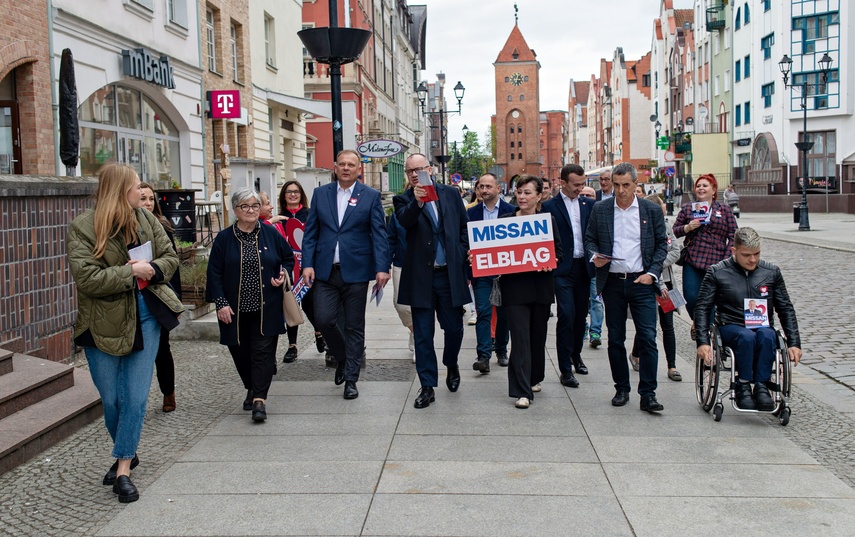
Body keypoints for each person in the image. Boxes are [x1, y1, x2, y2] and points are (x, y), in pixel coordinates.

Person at [67, 163, 183, 503]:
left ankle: (122, 470)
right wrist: (131, 272)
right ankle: (127, 450)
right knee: (112, 400)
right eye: (135, 187)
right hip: (101, 323)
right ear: (121, 191)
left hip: (147, 318)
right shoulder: (82, 228)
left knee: (135, 397)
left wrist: (154, 269)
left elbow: (169, 258)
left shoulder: (146, 219)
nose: (142, 193)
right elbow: (87, 279)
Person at [301, 149, 391, 400]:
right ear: (335, 167)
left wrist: (382, 267)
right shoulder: (321, 194)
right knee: (324, 319)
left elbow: (379, 234)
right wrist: (307, 264)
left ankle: (351, 378)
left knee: (354, 326)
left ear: (359, 169)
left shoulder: (370, 196)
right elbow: (311, 232)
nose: (346, 168)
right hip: (325, 271)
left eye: (351, 164)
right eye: (342, 164)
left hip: (357, 271)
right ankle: (342, 358)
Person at [585, 163, 668, 413]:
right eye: (617, 185)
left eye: (626, 185)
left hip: (641, 282)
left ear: (635, 184)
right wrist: (594, 256)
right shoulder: (601, 209)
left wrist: (651, 274)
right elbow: (590, 239)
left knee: (648, 338)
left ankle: (648, 393)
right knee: (616, 339)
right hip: (612, 282)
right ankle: (622, 388)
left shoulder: (650, 210)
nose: (620, 190)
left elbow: (662, 244)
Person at [206, 187, 294, 421]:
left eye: (255, 206)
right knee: (241, 354)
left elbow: (288, 257)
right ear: (235, 210)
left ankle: (259, 401)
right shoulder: (224, 239)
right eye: (245, 206)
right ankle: (251, 386)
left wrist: (283, 273)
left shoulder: (270, 233)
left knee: (263, 354)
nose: (251, 210)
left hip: (267, 307)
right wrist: (221, 303)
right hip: (234, 310)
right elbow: (214, 274)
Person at [695, 227, 802, 410]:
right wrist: (702, 341)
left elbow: (785, 308)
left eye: (756, 254)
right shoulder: (717, 272)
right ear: (734, 251)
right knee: (747, 336)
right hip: (731, 326)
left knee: (768, 336)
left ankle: (762, 386)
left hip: (762, 327)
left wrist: (794, 343)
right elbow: (703, 307)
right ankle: (743, 385)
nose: (753, 259)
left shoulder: (771, 273)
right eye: (746, 255)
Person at [394, 153, 469, 409]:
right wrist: (417, 202)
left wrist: (460, 250)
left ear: (431, 169)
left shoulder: (450, 193)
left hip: (449, 275)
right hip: (421, 278)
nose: (415, 174)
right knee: (423, 335)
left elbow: (463, 228)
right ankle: (427, 385)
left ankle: (451, 363)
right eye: (410, 171)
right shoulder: (404, 199)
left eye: (419, 169)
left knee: (455, 328)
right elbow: (404, 221)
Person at [497, 176, 562, 408]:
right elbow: (493, 252)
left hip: (540, 288)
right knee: (520, 339)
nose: (522, 197)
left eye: (527, 192)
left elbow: (559, 253)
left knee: (536, 337)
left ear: (539, 195)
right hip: (514, 289)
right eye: (519, 192)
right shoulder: (504, 220)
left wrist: (550, 260)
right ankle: (521, 391)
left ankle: (534, 377)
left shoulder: (548, 221)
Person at [542, 164, 595, 387]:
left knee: (580, 316)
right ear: (563, 183)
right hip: (561, 269)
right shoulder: (548, 206)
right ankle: (565, 368)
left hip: (584, 267)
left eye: (583, 184)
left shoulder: (590, 205)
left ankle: (576, 355)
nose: (580, 188)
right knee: (566, 314)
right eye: (576, 185)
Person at [672, 174, 738, 336]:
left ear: (714, 190)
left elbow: (734, 235)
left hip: (717, 261)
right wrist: (688, 227)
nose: (701, 188)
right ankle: (699, 321)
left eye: (705, 186)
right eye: (699, 185)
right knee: (692, 296)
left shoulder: (724, 210)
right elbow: (673, 232)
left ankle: (706, 333)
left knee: (712, 299)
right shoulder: (688, 208)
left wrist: (727, 257)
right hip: (693, 260)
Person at [629, 194, 681, 381]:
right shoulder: (637, 228)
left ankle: (672, 366)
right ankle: (635, 354)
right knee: (646, 327)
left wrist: (657, 265)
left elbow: (675, 251)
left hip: (666, 283)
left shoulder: (666, 227)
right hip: (647, 283)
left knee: (668, 325)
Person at [139, 182, 181, 412]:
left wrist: (174, 301)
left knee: (161, 349)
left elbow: (172, 267)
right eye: (142, 198)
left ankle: (168, 392)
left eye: (151, 199)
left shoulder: (162, 227)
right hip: (136, 293)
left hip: (158, 294)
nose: (147, 203)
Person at [467, 173, 515, 373]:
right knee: (484, 312)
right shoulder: (471, 213)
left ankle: (501, 350)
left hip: (506, 272)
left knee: (504, 313)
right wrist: (467, 254)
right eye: (481, 187)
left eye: (488, 186)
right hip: (481, 271)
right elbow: (464, 238)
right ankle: (483, 356)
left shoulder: (512, 211)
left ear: (498, 188)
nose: (484, 190)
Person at [273, 181, 324, 363]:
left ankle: (319, 332)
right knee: (291, 305)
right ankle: (292, 346)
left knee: (310, 305)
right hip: (287, 270)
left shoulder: (310, 215)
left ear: (301, 194)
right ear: (283, 195)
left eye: (296, 192)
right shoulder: (278, 218)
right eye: (289, 192)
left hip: (308, 268)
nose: (292, 195)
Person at [387, 202, 414, 362]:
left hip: (424, 264)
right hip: (401, 263)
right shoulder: (398, 212)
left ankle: (420, 341)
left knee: (422, 305)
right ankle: (413, 329)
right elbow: (391, 238)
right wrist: (384, 265)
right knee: (401, 305)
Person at [580, 186, 604, 349]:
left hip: (596, 266)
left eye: (589, 195)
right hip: (580, 266)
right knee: (581, 301)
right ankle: (582, 328)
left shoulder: (600, 215)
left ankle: (595, 331)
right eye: (582, 195)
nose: (585, 198)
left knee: (596, 301)